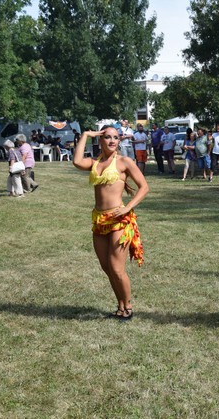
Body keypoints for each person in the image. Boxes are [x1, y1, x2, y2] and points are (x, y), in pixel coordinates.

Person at [72, 127, 149, 320]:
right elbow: (77, 161)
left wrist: (127, 207)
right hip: (99, 219)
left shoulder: (124, 162)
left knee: (116, 268)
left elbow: (144, 187)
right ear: (101, 140)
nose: (112, 140)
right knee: (107, 267)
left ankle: (128, 307)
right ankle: (120, 305)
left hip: (119, 220)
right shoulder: (94, 162)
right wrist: (85, 135)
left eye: (115, 137)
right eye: (107, 137)